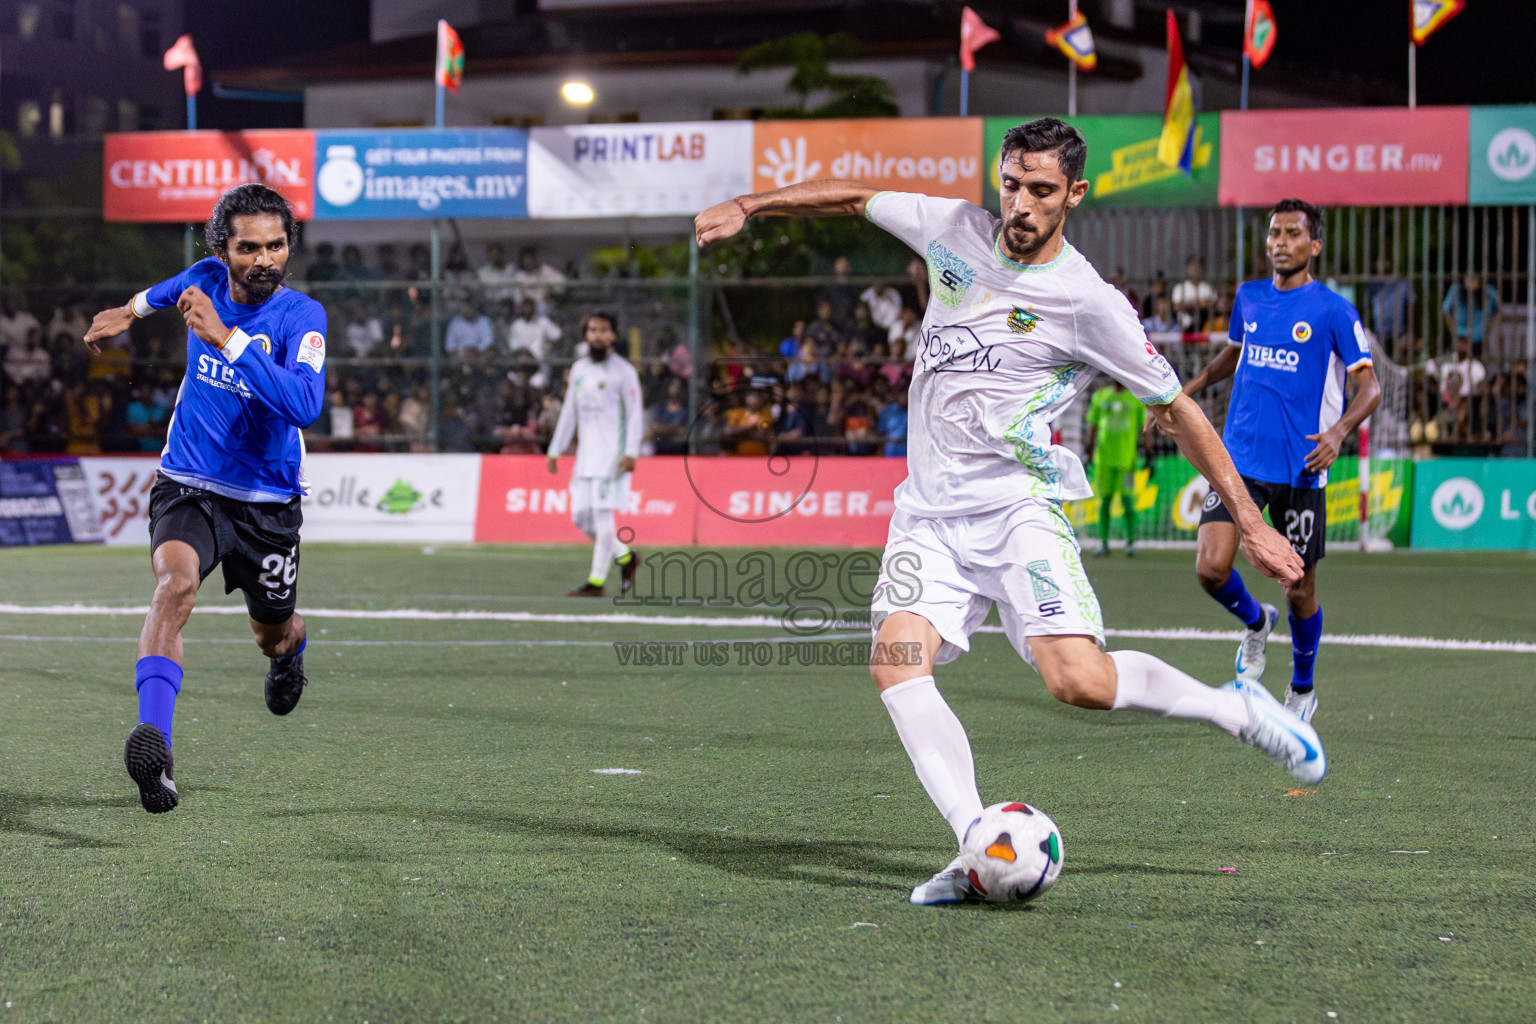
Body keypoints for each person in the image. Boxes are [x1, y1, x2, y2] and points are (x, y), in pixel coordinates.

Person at [695, 117, 1321, 907]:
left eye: (1042, 190)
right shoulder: (952, 229)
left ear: (1076, 195)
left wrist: (1251, 521)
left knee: (1080, 683)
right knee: (895, 662)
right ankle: (974, 842)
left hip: (1016, 507)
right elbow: (854, 196)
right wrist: (754, 204)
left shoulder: (1087, 300)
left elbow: (1177, 409)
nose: (1020, 203)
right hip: (928, 511)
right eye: (1012, 183)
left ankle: (1232, 709)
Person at [81, 183, 325, 815]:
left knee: (272, 633)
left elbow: (304, 403)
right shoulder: (204, 278)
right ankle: (155, 747)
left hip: (267, 502)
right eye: (249, 248)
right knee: (175, 587)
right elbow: (166, 292)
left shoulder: (303, 317)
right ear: (224, 249)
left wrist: (225, 339)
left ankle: (290, 654)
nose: (264, 259)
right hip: (190, 481)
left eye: (276, 246)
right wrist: (127, 312)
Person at [1177, 198, 1381, 728]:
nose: (1280, 242)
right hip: (1240, 459)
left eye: (1293, 233)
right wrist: (1192, 387)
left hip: (1302, 467)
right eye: (1274, 233)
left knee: (1300, 587)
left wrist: (1338, 432)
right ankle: (1254, 621)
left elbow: (1370, 386)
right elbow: (1236, 351)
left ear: (1313, 245)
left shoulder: (1334, 310)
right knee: (1209, 567)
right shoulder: (1248, 298)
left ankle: (1302, 688)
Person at [547, 312, 643, 598]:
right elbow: (569, 411)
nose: (597, 335)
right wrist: (555, 448)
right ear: (585, 335)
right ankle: (626, 557)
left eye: (603, 330)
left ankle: (596, 582)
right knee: (579, 517)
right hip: (585, 457)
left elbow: (635, 413)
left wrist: (631, 452)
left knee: (603, 519)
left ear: (613, 336)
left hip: (611, 456)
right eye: (592, 330)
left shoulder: (624, 371)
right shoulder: (578, 370)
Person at [1084, 378, 1147, 557]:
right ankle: (1103, 543)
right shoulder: (1100, 397)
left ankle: (1131, 542)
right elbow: (1092, 426)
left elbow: (1143, 428)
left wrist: (1149, 453)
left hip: (1127, 462)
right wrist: (1088, 452)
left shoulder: (1135, 399)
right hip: (1103, 460)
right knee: (1105, 502)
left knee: (1128, 502)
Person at [1441, 271, 1500, 356]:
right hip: (1459, 336)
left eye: (1474, 278)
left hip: (1478, 339)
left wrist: (1487, 329)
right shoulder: (1456, 289)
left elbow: (1497, 311)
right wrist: (1453, 331)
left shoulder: (1489, 292)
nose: (1470, 282)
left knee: (1478, 365)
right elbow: (1446, 311)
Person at [1171, 255, 1214, 332]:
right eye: (1192, 267)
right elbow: (1175, 307)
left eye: (1197, 267)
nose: (1194, 270)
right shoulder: (1180, 287)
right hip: (1183, 327)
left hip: (1204, 327)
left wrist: (1196, 305)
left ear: (1202, 269)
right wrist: (1191, 305)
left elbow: (1211, 305)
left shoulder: (1208, 288)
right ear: (1187, 269)